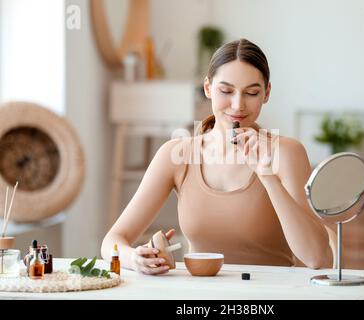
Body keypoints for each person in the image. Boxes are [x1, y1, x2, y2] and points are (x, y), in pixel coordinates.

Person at [101, 38, 333, 275]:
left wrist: (266, 175)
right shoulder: (176, 155)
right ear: (208, 88)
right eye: (226, 91)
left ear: (266, 93)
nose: (237, 105)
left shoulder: (286, 152)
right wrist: (135, 258)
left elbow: (318, 258)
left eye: (251, 92)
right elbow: (112, 241)